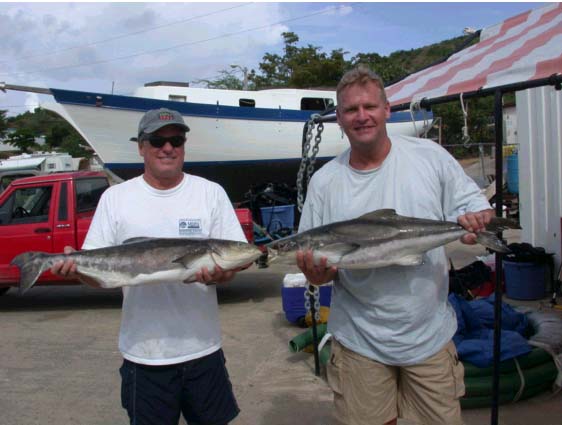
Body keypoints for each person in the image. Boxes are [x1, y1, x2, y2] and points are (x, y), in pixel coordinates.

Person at [296, 65, 494, 425]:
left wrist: (474, 224)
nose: (362, 116)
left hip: (429, 336)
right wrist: (316, 273)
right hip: (359, 340)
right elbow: (320, 271)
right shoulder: (325, 182)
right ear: (338, 118)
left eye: (369, 106)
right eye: (351, 110)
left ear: (387, 109)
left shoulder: (429, 157)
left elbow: (475, 208)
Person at [51, 108, 246, 425]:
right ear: (141, 146)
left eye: (176, 140)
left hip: (203, 351)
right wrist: (77, 270)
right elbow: (100, 280)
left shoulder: (211, 193)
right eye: (157, 140)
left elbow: (229, 264)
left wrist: (225, 273)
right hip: (144, 357)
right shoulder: (116, 198)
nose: (167, 148)